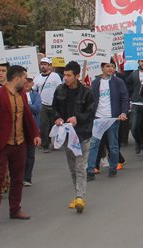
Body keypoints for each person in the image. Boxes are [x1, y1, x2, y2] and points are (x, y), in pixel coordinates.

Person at [0, 65, 41, 225]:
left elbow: (27, 115)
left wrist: (35, 133)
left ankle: (15, 209)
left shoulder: (21, 94)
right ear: (16, 79)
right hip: (2, 144)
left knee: (18, 178)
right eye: (24, 78)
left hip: (20, 143)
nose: (26, 81)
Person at [52, 61, 96, 213]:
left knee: (80, 167)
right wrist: (57, 118)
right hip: (66, 135)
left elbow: (90, 112)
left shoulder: (87, 92)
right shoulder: (60, 90)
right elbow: (54, 108)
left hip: (82, 135)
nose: (65, 78)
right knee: (72, 168)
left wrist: (78, 118)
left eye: (69, 75)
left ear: (77, 76)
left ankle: (80, 196)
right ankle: (77, 193)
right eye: (64, 74)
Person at [87, 60, 129, 178]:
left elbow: (125, 98)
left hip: (113, 119)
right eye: (107, 66)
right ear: (102, 68)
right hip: (98, 119)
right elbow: (90, 100)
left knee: (113, 145)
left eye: (112, 66)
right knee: (94, 145)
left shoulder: (118, 82)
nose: (110, 68)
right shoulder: (95, 83)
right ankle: (90, 170)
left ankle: (113, 168)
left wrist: (123, 112)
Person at [34, 58, 62, 153]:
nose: (43, 66)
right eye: (42, 64)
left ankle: (53, 142)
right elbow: (33, 89)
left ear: (49, 66)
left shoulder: (55, 76)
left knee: (53, 125)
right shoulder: (37, 77)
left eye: (45, 64)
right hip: (43, 105)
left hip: (54, 104)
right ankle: (45, 145)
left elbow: (60, 87)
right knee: (43, 125)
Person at [126, 60, 143, 156]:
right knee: (134, 127)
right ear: (138, 62)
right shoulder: (134, 74)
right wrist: (131, 94)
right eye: (141, 61)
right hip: (136, 103)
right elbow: (127, 84)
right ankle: (140, 142)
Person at [23, 78, 42, 186]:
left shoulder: (35, 95)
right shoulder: (17, 94)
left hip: (33, 127)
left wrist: (25, 105)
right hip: (21, 128)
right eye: (25, 81)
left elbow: (37, 108)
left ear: (32, 83)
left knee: (30, 154)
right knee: (21, 154)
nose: (27, 83)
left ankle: (27, 177)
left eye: (29, 81)